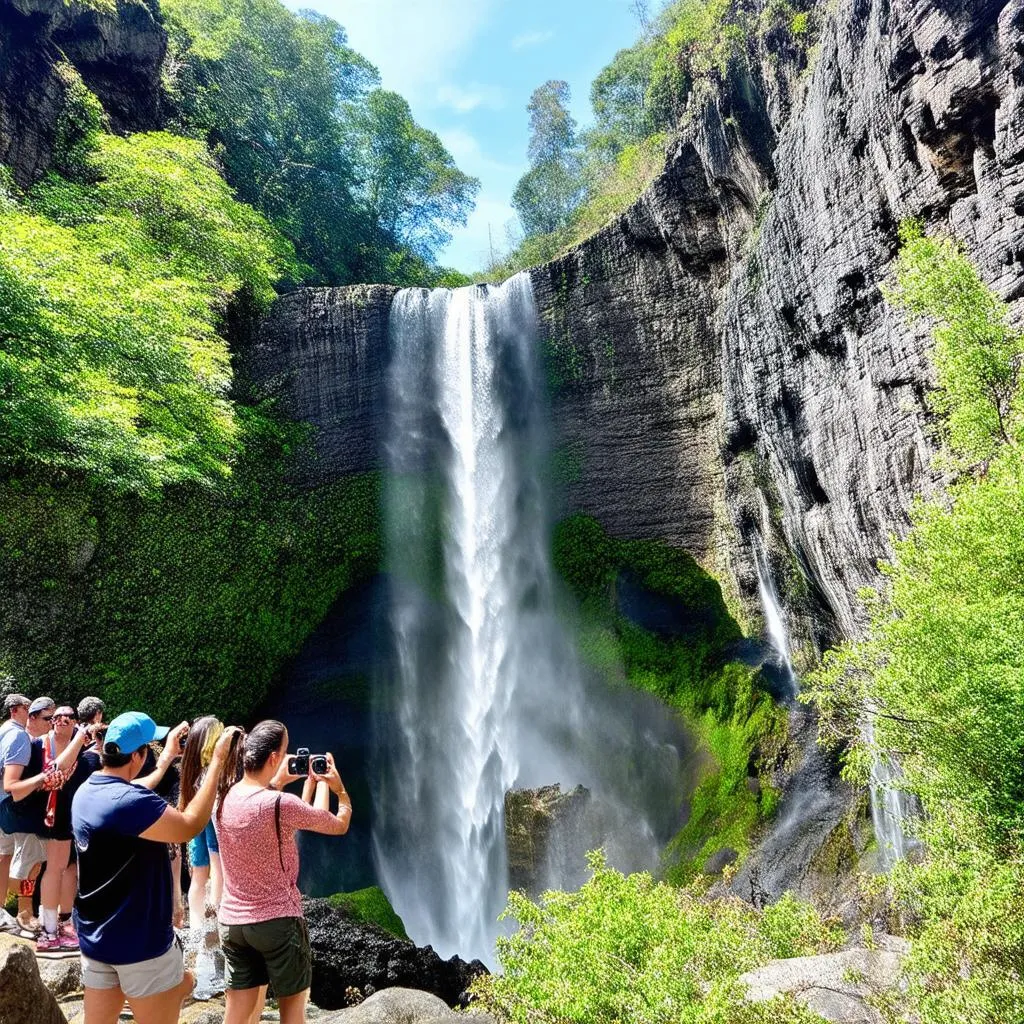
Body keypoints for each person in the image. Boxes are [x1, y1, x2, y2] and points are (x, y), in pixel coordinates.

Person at [72, 711, 240, 1024]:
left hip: (96, 940)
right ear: (137, 755)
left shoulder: (88, 791)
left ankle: (181, 983)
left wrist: (167, 760)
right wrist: (217, 761)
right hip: (140, 944)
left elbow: (133, 789)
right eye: (148, 749)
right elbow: (189, 825)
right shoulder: (132, 804)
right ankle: (181, 984)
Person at [216, 721, 351, 1024]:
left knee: (236, 1012)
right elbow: (336, 824)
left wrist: (280, 783)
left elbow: (292, 815)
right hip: (277, 921)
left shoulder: (221, 799)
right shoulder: (279, 805)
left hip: (233, 924)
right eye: (286, 751)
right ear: (275, 758)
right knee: (293, 1013)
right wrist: (338, 789)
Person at [1, 694, 87, 936]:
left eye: (66, 718)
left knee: (17, 860)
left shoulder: (11, 733)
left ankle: (17, 911)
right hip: (24, 812)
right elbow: (13, 785)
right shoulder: (25, 740)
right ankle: (24, 912)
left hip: (21, 811)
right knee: (30, 864)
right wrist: (42, 780)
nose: (56, 722)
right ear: (30, 716)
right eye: (51, 718)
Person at [34, 705, 99, 952]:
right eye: (57, 717)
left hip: (74, 817)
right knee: (55, 868)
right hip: (55, 815)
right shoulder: (42, 745)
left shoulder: (81, 747)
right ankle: (48, 931)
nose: (63, 720)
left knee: (69, 868)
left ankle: (63, 921)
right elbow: (53, 772)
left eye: (69, 717)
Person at [178, 716, 225, 930]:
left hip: (196, 818)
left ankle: (197, 926)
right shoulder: (218, 764)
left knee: (199, 872)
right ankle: (215, 920)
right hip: (214, 817)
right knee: (217, 867)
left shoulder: (191, 765)